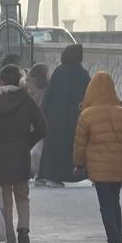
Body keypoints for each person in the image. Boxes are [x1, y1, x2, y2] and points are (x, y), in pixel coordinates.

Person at [0, 65, 48, 243]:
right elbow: (42, 127)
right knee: (23, 197)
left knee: (6, 202)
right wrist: (27, 141)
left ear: (0, 82)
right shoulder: (27, 101)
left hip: (1, 158)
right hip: (21, 155)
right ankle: (23, 230)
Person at [73, 71, 122, 243]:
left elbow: (79, 144)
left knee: (106, 205)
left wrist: (79, 164)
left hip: (98, 168)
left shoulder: (86, 115)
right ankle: (118, 240)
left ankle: (114, 242)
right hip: (116, 167)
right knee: (114, 203)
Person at [38, 44, 91, 188]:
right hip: (75, 120)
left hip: (55, 120)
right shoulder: (83, 74)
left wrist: (43, 114)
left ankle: (50, 176)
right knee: (72, 149)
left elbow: (48, 96)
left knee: (53, 149)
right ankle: (75, 175)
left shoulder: (58, 72)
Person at [26, 64, 49, 186]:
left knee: (36, 154)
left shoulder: (40, 96)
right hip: (36, 132)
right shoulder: (40, 95)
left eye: (30, 82)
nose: (28, 85)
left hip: (37, 132)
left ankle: (36, 174)